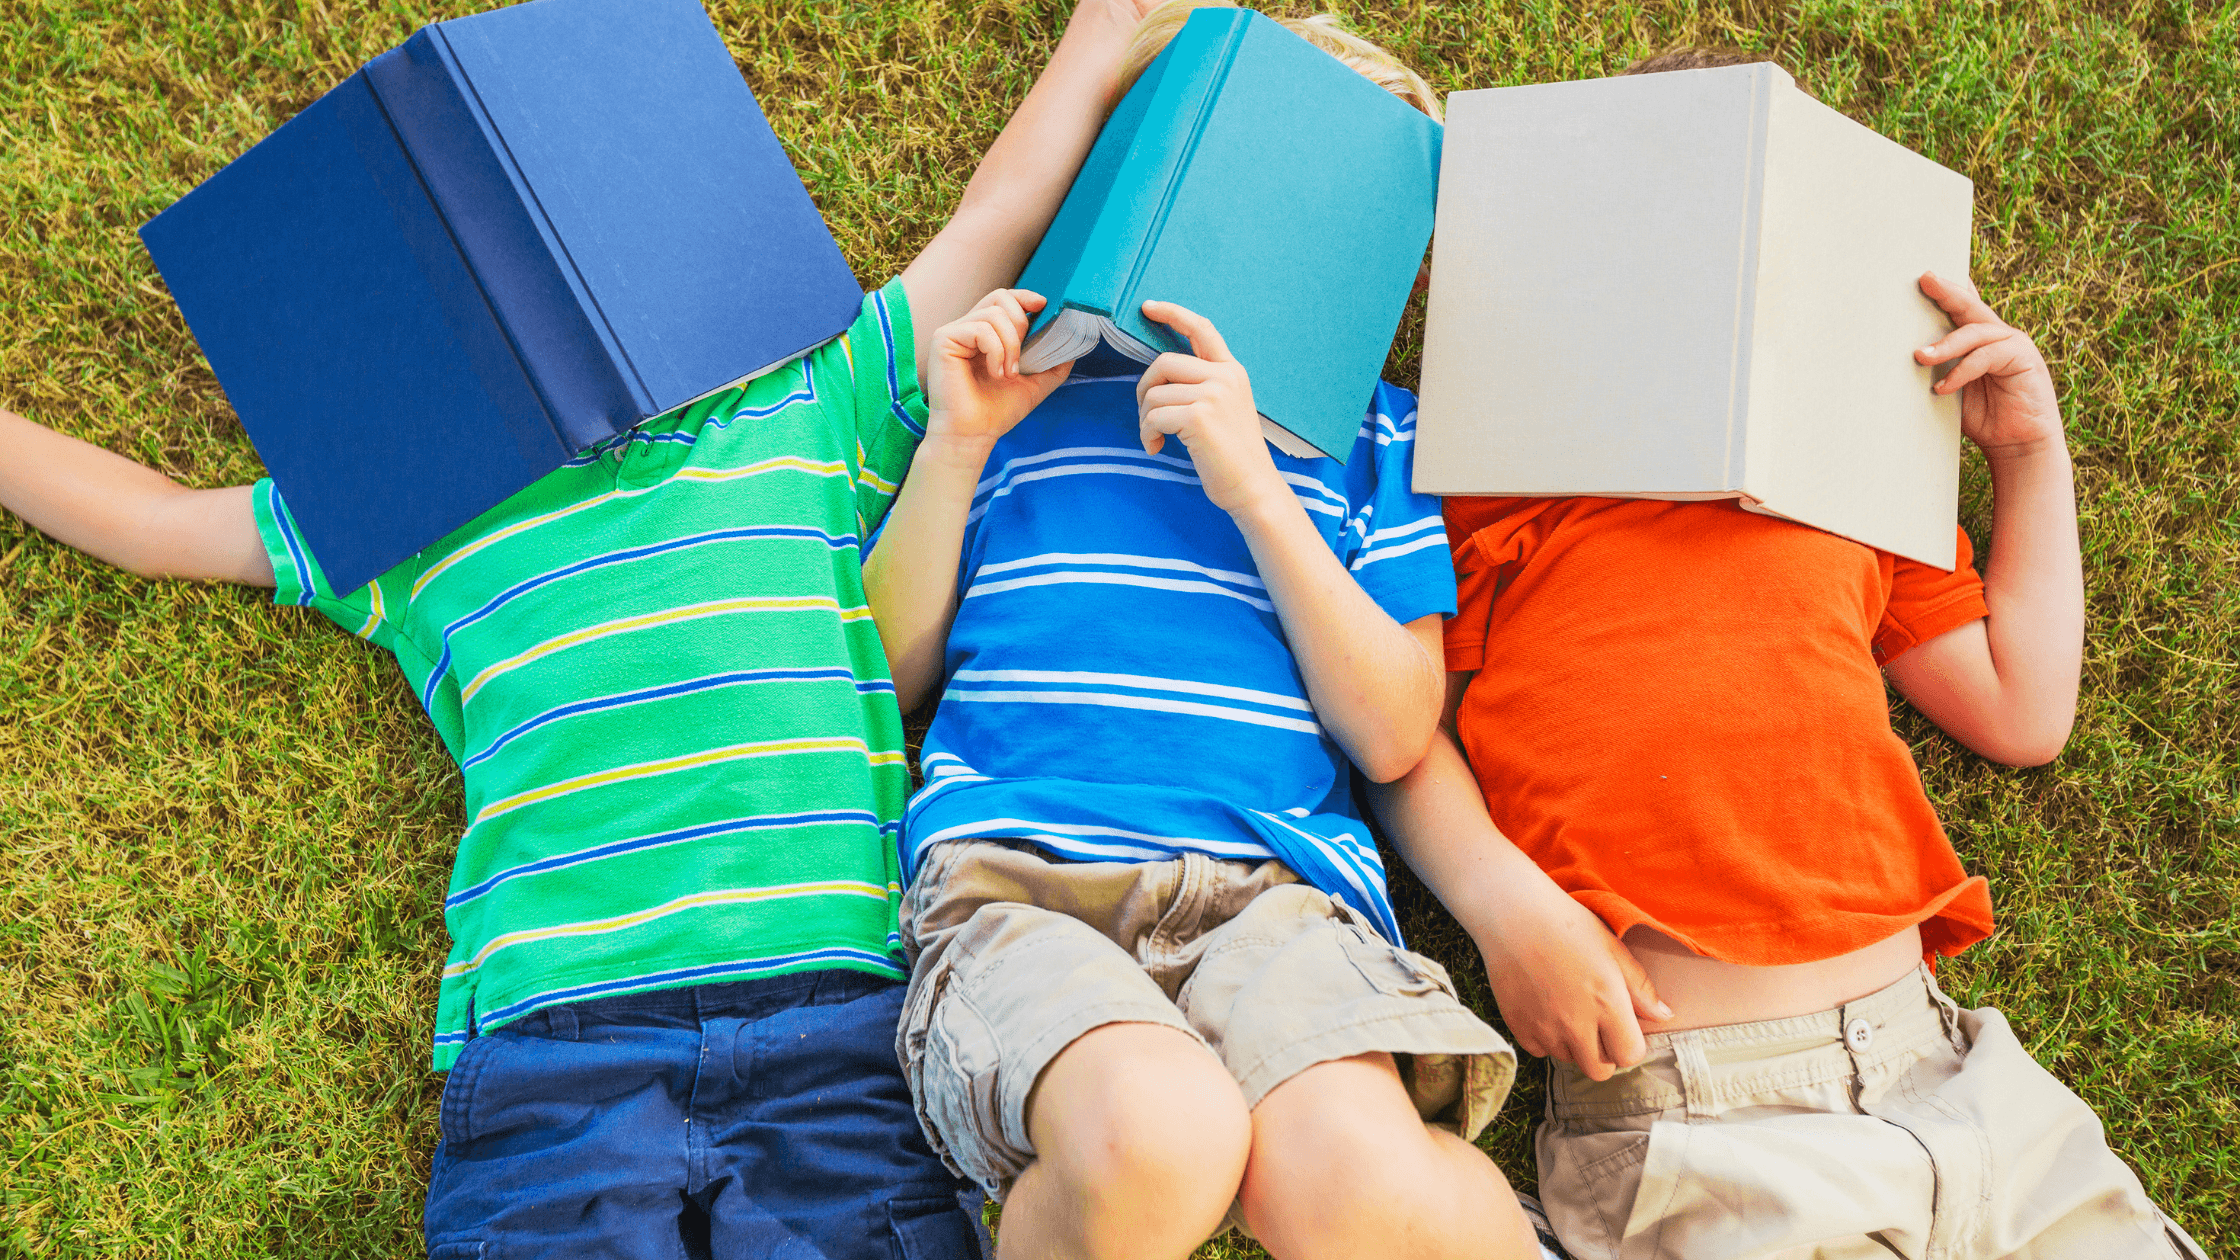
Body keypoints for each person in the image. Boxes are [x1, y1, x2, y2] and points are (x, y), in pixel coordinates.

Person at [0, 3, 1161, 1255]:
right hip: (560, 1046)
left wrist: (1092, 49)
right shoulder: (405, 510)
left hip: (838, 1022)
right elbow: (155, 520)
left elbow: (990, 223)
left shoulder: (803, 404)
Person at [1368, 46, 2206, 1260]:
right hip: (1695, 1112)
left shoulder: (1848, 475)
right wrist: (1503, 912)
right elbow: (1396, 735)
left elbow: (2023, 713)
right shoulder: (1485, 471)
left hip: (1950, 1079)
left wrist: (2026, 454)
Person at [859, 6, 1540, 1259]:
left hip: (1276, 903)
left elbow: (1392, 730)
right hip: (1019, 887)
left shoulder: (1374, 440)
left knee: (1352, 1184)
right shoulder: (1025, 387)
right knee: (1154, 1137)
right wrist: (958, 442)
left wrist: (1260, 491)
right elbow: (885, 676)